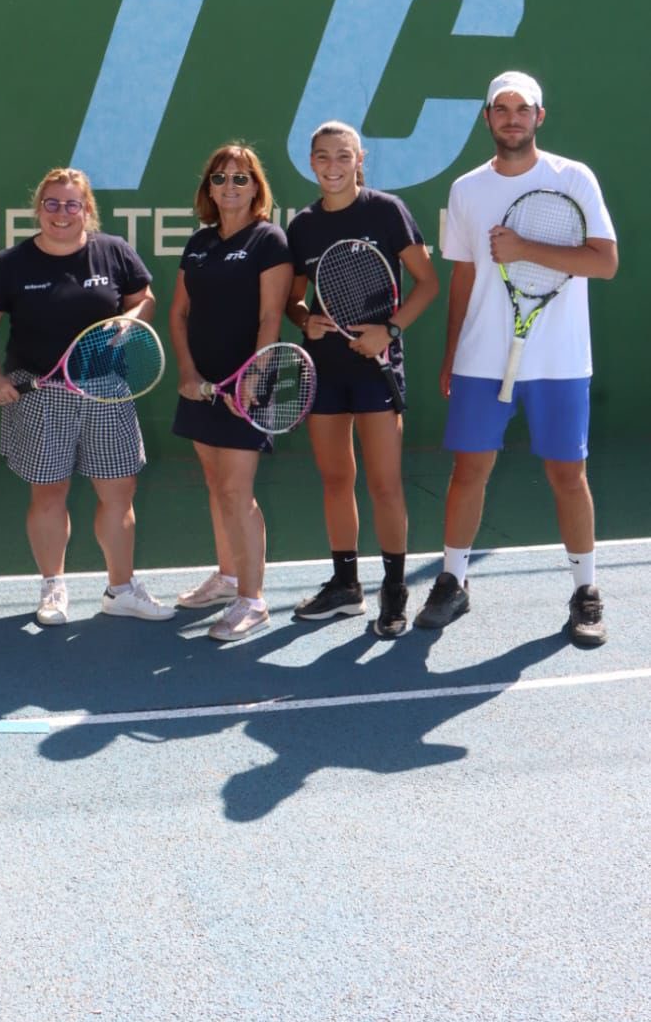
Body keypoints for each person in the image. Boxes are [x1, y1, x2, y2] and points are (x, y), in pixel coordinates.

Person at [414, 71, 618, 646]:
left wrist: (525, 248)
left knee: (567, 475)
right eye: (500, 109)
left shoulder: (574, 178)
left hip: (560, 361)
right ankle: (453, 581)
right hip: (481, 358)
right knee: (468, 472)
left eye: (521, 109)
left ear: (538, 117)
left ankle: (585, 591)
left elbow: (604, 262)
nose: (511, 118)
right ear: (487, 118)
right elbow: (464, 275)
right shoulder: (466, 189)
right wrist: (452, 352)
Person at [0, 168, 173, 627]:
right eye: (52, 203)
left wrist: (131, 319)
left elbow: (145, 298)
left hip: (107, 391)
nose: (61, 213)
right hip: (41, 394)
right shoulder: (11, 263)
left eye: (71, 204)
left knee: (119, 493)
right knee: (48, 494)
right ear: (39, 208)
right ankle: (53, 587)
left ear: (87, 210)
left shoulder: (113, 251)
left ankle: (121, 590)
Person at [286, 120, 439, 637]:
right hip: (325, 369)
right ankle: (346, 586)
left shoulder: (387, 211)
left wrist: (388, 330)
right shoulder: (303, 226)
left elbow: (427, 283)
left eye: (343, 156)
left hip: (377, 369)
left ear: (359, 160)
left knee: (384, 484)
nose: (333, 166)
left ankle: (394, 589)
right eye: (323, 157)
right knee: (336, 480)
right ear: (312, 162)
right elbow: (295, 298)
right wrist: (304, 320)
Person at [170, 144, 294, 642]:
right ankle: (227, 577)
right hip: (202, 382)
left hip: (248, 384)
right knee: (214, 482)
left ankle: (253, 600)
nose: (229, 187)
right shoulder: (200, 242)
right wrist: (187, 371)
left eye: (241, 178)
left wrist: (254, 377)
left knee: (236, 491)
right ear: (209, 188)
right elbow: (179, 313)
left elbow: (271, 316)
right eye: (220, 178)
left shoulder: (269, 239)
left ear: (256, 187)